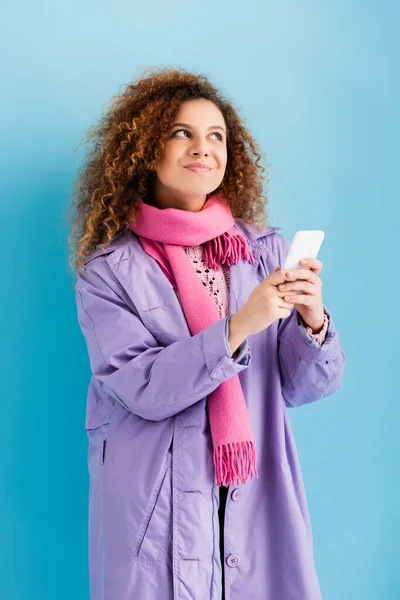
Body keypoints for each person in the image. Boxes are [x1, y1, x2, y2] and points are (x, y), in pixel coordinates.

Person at [69, 67, 346, 600]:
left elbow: (298, 386)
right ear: (148, 149)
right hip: (156, 499)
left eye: (215, 136)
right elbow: (140, 385)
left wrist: (312, 318)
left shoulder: (259, 250)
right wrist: (241, 325)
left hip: (251, 487)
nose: (203, 149)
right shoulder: (108, 271)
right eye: (182, 133)